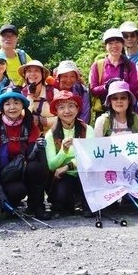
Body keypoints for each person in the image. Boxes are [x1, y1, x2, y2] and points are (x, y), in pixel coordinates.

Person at [0, 89, 50, 220]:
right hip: (6, 173)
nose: (12, 107)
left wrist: (38, 148)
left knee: (36, 168)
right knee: (17, 191)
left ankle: (37, 205)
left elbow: (33, 155)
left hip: (24, 167)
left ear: (22, 105)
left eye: (16, 103)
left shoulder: (29, 123)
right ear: (2, 107)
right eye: (7, 104)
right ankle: (10, 204)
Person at [45, 89, 92, 217]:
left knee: (90, 210)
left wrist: (67, 166)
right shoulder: (51, 135)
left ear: (77, 109)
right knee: (62, 197)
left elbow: (90, 157)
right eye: (61, 107)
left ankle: (86, 203)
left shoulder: (87, 130)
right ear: (56, 112)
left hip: (85, 174)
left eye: (71, 106)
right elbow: (52, 165)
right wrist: (63, 151)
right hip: (65, 177)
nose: (67, 111)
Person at [89, 28, 138, 117]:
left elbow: (135, 88)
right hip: (104, 111)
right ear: (105, 46)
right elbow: (93, 90)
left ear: (123, 44)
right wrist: (106, 86)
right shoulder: (98, 65)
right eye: (110, 43)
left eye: (117, 42)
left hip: (125, 111)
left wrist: (120, 85)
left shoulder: (130, 65)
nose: (114, 46)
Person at [20, 60, 55, 130]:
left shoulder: (53, 92)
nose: (32, 74)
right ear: (25, 74)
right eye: (29, 71)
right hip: (29, 138)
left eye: (36, 70)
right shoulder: (21, 94)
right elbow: (21, 118)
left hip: (52, 137)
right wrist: (30, 96)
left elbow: (65, 117)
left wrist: (46, 121)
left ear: (43, 74)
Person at [53, 60, 91, 125]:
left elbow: (85, 113)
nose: (68, 80)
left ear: (76, 78)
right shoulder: (50, 90)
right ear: (58, 77)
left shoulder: (81, 90)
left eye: (72, 76)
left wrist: (78, 130)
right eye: (65, 76)